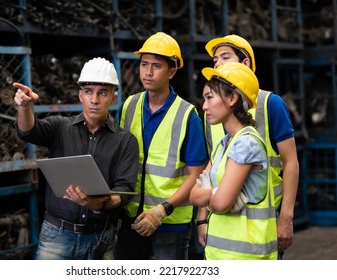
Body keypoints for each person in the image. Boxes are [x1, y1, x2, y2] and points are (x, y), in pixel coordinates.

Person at [13, 57, 139, 260]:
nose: (95, 100)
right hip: (57, 236)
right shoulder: (60, 128)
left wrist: (99, 205)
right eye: (88, 92)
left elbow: (124, 191)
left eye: (103, 93)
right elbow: (28, 131)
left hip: (100, 238)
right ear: (80, 96)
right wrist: (24, 107)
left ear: (114, 98)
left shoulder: (125, 141)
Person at [196, 34, 299, 257]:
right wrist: (201, 218)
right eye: (215, 60)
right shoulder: (211, 113)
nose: (218, 64)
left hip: (261, 219)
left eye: (225, 57)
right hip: (222, 223)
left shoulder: (270, 104)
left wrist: (285, 217)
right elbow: (211, 168)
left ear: (245, 64)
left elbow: (291, 162)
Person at [115, 32, 208, 260]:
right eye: (144, 64)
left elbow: (197, 174)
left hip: (170, 223)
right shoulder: (129, 106)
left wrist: (162, 209)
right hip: (132, 218)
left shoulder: (187, 115)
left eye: (156, 66)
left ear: (172, 71)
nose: (148, 72)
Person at [190, 62, 278, 259]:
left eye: (209, 97)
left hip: (246, 259)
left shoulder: (246, 144)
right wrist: (217, 193)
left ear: (232, 98)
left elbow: (221, 203)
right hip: (219, 255)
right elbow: (194, 196)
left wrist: (214, 193)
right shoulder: (224, 144)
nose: (204, 106)